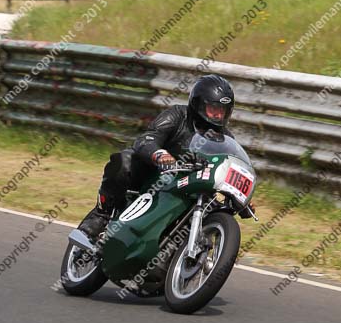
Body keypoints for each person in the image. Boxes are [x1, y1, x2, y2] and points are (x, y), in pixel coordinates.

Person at [78, 75, 238, 240]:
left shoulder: (226, 138)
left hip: (191, 186)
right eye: (214, 109)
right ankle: (101, 214)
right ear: (198, 104)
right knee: (124, 161)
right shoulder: (177, 115)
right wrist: (160, 154)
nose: (218, 115)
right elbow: (147, 139)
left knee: (218, 207)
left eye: (222, 111)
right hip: (154, 176)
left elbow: (230, 165)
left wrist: (239, 191)